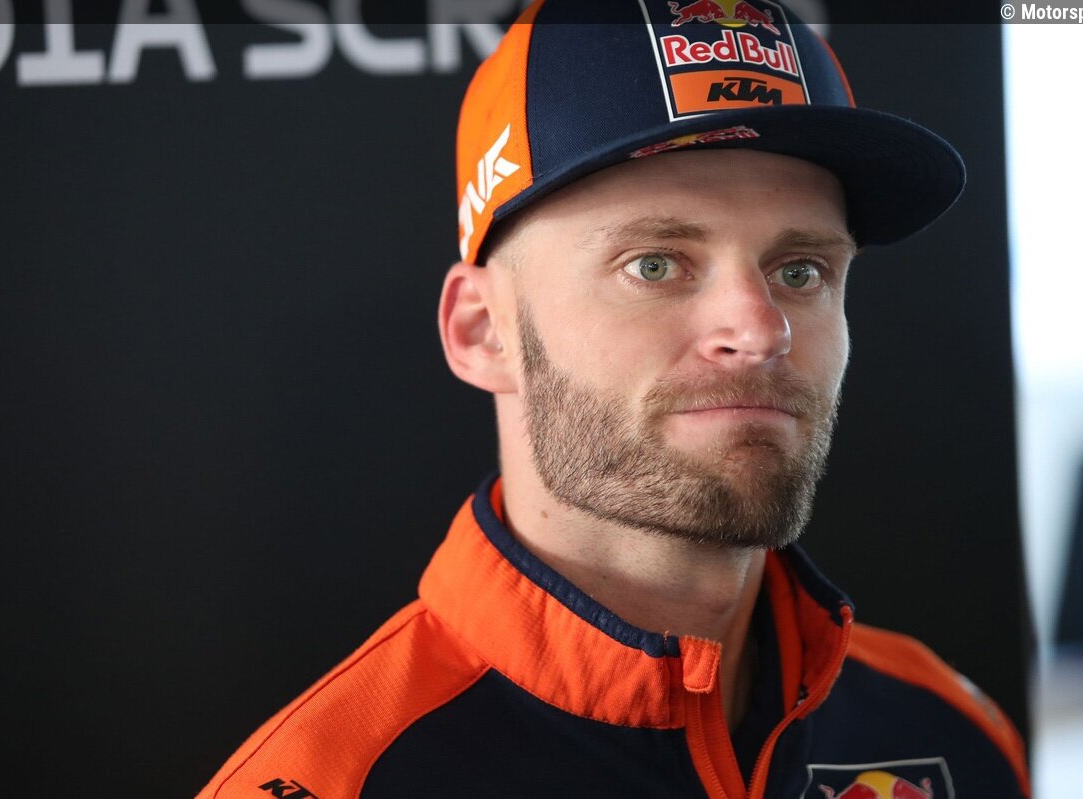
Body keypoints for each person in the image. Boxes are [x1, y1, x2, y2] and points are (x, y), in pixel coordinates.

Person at [197, 1, 1030, 797]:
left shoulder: (948, 733)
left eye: (801, 270)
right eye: (655, 264)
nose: (759, 328)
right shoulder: (342, 777)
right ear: (483, 332)